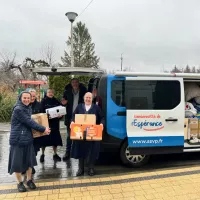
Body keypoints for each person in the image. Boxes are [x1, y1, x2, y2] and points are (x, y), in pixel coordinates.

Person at [8, 91, 50, 192]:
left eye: (28, 98)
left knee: (29, 162)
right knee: (17, 163)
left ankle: (29, 180)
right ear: (20, 98)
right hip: (18, 140)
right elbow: (29, 122)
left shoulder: (28, 108)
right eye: (24, 98)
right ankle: (19, 183)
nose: (26, 99)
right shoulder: (18, 109)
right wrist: (43, 129)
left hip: (27, 139)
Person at [70, 92, 104, 176]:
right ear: (84, 98)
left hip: (92, 133)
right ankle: (80, 169)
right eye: (86, 97)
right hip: (80, 133)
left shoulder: (96, 108)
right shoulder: (79, 106)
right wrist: (72, 122)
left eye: (89, 97)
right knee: (80, 150)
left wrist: (101, 124)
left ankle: (91, 168)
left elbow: (102, 118)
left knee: (92, 151)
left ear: (92, 99)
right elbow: (73, 116)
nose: (88, 99)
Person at [61, 78, 87, 161]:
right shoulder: (67, 92)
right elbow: (63, 104)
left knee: (80, 136)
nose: (75, 84)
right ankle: (67, 152)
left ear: (78, 83)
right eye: (73, 82)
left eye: (76, 82)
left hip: (80, 118)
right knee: (69, 137)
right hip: (69, 118)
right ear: (71, 84)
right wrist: (63, 104)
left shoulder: (84, 92)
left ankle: (79, 154)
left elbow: (89, 101)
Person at [40, 88, 63, 162]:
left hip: (55, 123)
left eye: (52, 92)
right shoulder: (43, 101)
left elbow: (61, 111)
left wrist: (61, 116)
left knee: (55, 140)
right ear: (46, 93)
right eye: (49, 92)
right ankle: (42, 154)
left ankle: (55, 154)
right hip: (46, 123)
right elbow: (41, 112)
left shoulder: (56, 101)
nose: (50, 93)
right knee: (44, 140)